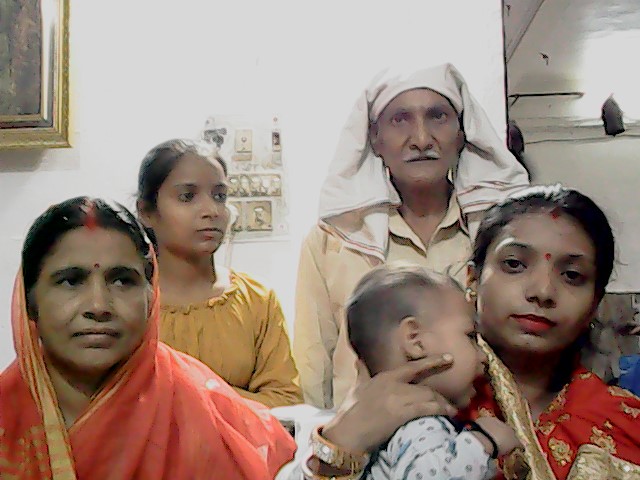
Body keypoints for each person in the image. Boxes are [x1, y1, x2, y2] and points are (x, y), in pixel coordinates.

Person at [301, 186, 640, 479]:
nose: (542, 291)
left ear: (595, 302)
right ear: (473, 280)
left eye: (572, 275)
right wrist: (340, 444)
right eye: (514, 264)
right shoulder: (413, 399)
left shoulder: (626, 423)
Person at [0, 197, 295, 479]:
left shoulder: (200, 410)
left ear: (151, 295)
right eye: (71, 281)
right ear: (30, 300)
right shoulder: (5, 414)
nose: (98, 306)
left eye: (122, 281)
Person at [294, 62, 530, 409]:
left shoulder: (501, 236)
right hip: (368, 436)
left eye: (437, 116)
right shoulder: (333, 239)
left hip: (485, 431)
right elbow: (312, 367)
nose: (421, 139)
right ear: (375, 138)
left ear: (462, 133)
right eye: (400, 119)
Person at [137, 139, 302, 408]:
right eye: (187, 197)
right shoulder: (130, 303)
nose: (211, 211)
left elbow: (284, 403)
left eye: (219, 196)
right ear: (147, 212)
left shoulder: (256, 300)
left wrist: (193, 398)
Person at [346, 263, 521, 479]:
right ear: (416, 341)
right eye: (470, 336)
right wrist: (484, 441)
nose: (483, 356)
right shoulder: (419, 425)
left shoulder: (381, 429)